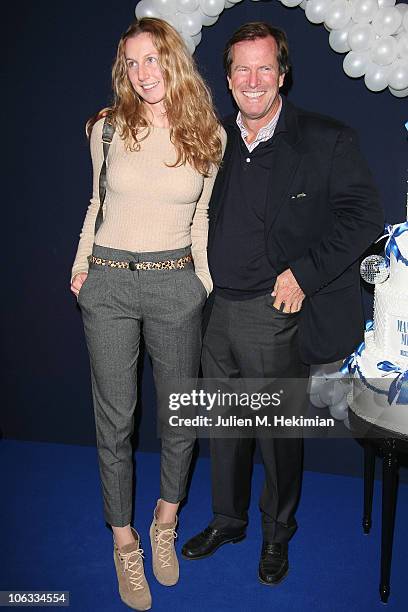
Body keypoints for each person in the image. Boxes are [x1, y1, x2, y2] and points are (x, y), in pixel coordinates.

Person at [181, 22, 384, 586]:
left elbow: (363, 217)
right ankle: (228, 519)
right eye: (241, 69)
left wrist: (305, 273)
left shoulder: (326, 138)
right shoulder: (213, 140)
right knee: (223, 425)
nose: (253, 79)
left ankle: (277, 533)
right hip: (214, 310)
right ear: (226, 78)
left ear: (283, 75)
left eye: (264, 68)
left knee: (276, 434)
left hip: (276, 311)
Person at [70, 18, 225, 611]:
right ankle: (124, 540)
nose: (143, 72)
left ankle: (165, 520)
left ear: (174, 61)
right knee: (115, 422)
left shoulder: (207, 134)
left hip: (174, 285)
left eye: (153, 59)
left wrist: (201, 283)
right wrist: (81, 265)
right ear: (123, 70)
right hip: (107, 284)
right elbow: (97, 202)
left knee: (180, 414)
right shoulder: (106, 130)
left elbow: (203, 218)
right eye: (132, 62)